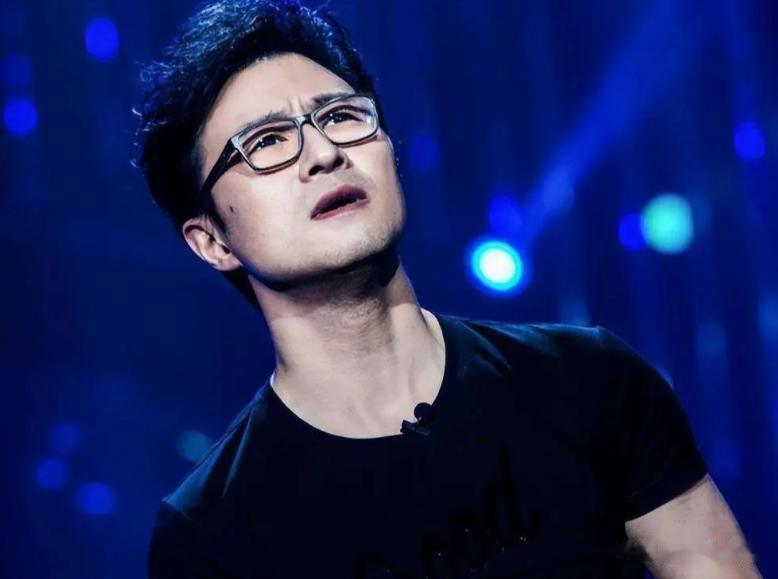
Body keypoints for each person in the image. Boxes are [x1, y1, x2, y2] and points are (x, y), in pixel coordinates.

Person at [133, 1, 761, 577]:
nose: (323, 153)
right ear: (211, 240)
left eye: (342, 116)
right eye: (267, 142)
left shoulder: (590, 380)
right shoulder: (211, 530)